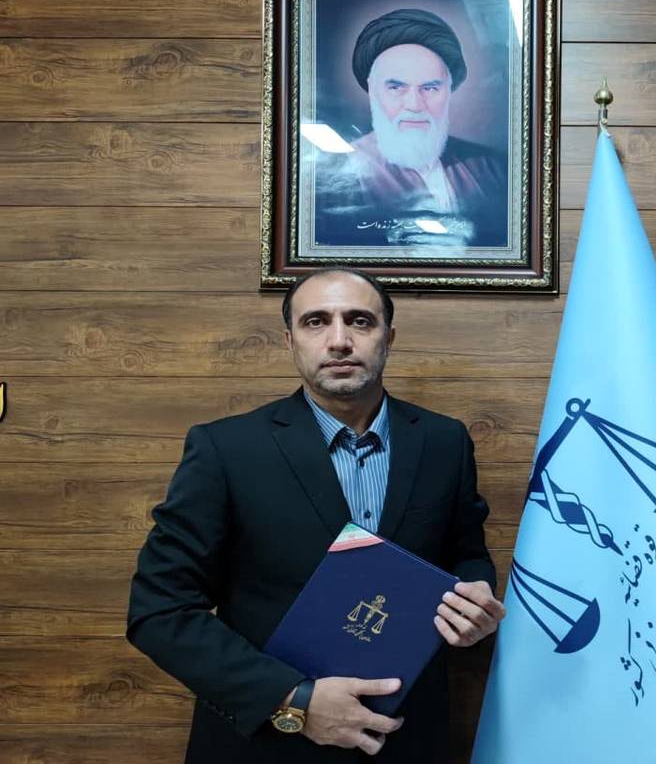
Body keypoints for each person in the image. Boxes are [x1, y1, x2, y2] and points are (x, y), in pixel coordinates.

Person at [127, 266, 505, 763]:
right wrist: (294, 699)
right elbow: (159, 611)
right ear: (290, 340)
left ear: (389, 337)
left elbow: (466, 554)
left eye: (360, 321)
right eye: (316, 321)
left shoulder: (444, 440)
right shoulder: (226, 449)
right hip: (267, 745)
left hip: (407, 739)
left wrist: (476, 599)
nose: (339, 340)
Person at [315, 8, 509, 249]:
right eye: (396, 87)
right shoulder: (338, 178)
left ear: (448, 91)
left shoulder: (492, 168)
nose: (415, 105)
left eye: (430, 88)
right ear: (373, 91)